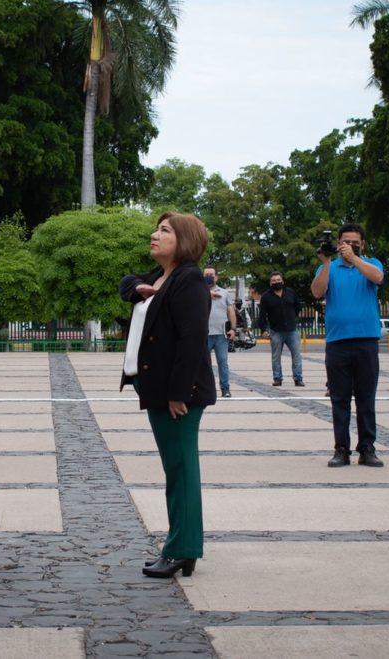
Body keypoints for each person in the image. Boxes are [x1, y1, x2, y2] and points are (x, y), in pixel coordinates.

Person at [120, 212, 215, 579]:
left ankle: (181, 549)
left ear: (185, 239)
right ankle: (183, 546)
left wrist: (178, 394)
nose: (154, 235)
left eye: (164, 231)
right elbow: (126, 283)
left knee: (181, 470)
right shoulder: (162, 277)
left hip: (178, 395)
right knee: (177, 468)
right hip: (157, 388)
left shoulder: (188, 280)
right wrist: (139, 290)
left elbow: (193, 342)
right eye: (157, 229)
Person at [311, 223, 385, 468]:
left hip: (366, 340)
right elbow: (317, 292)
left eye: (355, 242)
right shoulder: (330, 267)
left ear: (362, 244)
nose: (350, 245)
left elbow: (378, 278)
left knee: (366, 398)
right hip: (337, 341)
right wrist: (327, 262)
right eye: (345, 241)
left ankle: (367, 448)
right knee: (339, 398)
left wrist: (355, 258)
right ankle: (341, 448)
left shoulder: (372, 263)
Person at [258, 271, 305, 387]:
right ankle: (277, 378)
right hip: (276, 332)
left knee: (297, 355)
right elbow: (262, 315)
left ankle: (298, 378)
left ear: (282, 281)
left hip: (292, 331)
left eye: (278, 280)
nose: (276, 282)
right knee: (276, 357)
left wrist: (292, 318)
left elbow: (297, 307)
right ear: (270, 283)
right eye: (274, 281)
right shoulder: (265, 297)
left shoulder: (290, 292)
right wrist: (263, 330)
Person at [203, 266, 236, 398]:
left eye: (211, 274)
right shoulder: (198, 292)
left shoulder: (224, 293)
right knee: (204, 365)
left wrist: (233, 329)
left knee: (223, 362)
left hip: (221, 335)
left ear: (216, 277)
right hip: (203, 335)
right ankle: (206, 389)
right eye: (206, 274)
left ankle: (225, 388)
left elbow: (231, 311)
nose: (209, 277)